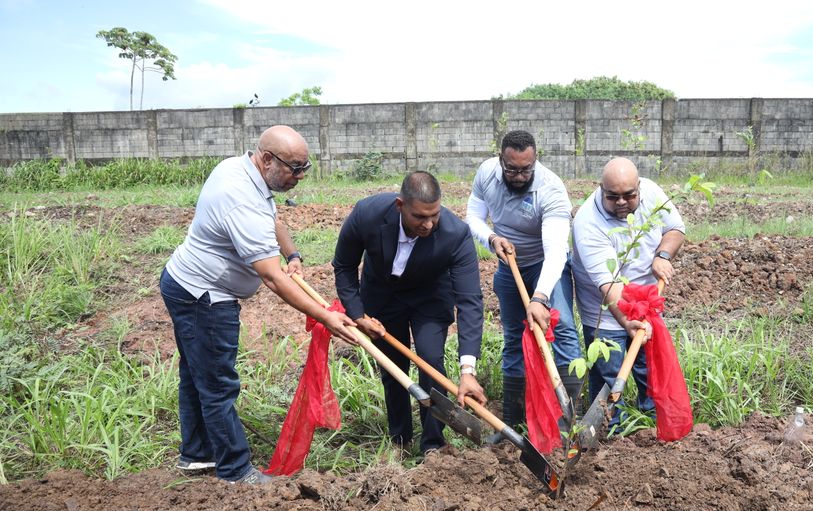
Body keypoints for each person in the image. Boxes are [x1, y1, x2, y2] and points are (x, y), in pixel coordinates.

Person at [161, 125, 359, 485]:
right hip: (203, 295)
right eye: (294, 168)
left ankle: (197, 454)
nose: (299, 176)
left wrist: (293, 253)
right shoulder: (239, 196)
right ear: (267, 158)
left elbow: (273, 220)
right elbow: (271, 277)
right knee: (218, 383)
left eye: (305, 168)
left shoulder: (246, 172)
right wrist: (325, 316)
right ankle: (236, 470)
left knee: (197, 374)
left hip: (186, 282)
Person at [333, 171, 487, 456]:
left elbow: (469, 300)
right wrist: (357, 315)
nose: (428, 224)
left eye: (434, 215)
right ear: (399, 205)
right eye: (419, 217)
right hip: (381, 297)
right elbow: (344, 266)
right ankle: (400, 439)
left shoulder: (455, 234)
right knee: (393, 368)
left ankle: (432, 444)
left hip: (429, 297)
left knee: (431, 360)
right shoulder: (368, 214)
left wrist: (468, 370)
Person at [465, 130, 583, 433]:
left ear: (536, 160)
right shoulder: (486, 174)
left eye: (525, 169)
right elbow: (473, 217)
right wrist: (491, 239)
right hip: (510, 265)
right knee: (514, 339)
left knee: (564, 330)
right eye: (511, 168)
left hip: (546, 266)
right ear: (500, 158)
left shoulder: (551, 188)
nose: (518, 175)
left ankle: (571, 422)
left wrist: (540, 297)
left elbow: (556, 250)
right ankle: (514, 423)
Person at [571, 157, 685, 430]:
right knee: (609, 384)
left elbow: (675, 229)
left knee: (651, 375)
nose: (621, 202)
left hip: (647, 307)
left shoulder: (652, 193)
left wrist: (662, 255)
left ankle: (653, 431)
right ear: (601, 189)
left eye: (629, 195)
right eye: (613, 197)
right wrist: (626, 321)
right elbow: (609, 285)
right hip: (607, 314)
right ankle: (610, 440)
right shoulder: (588, 222)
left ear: (639, 188)